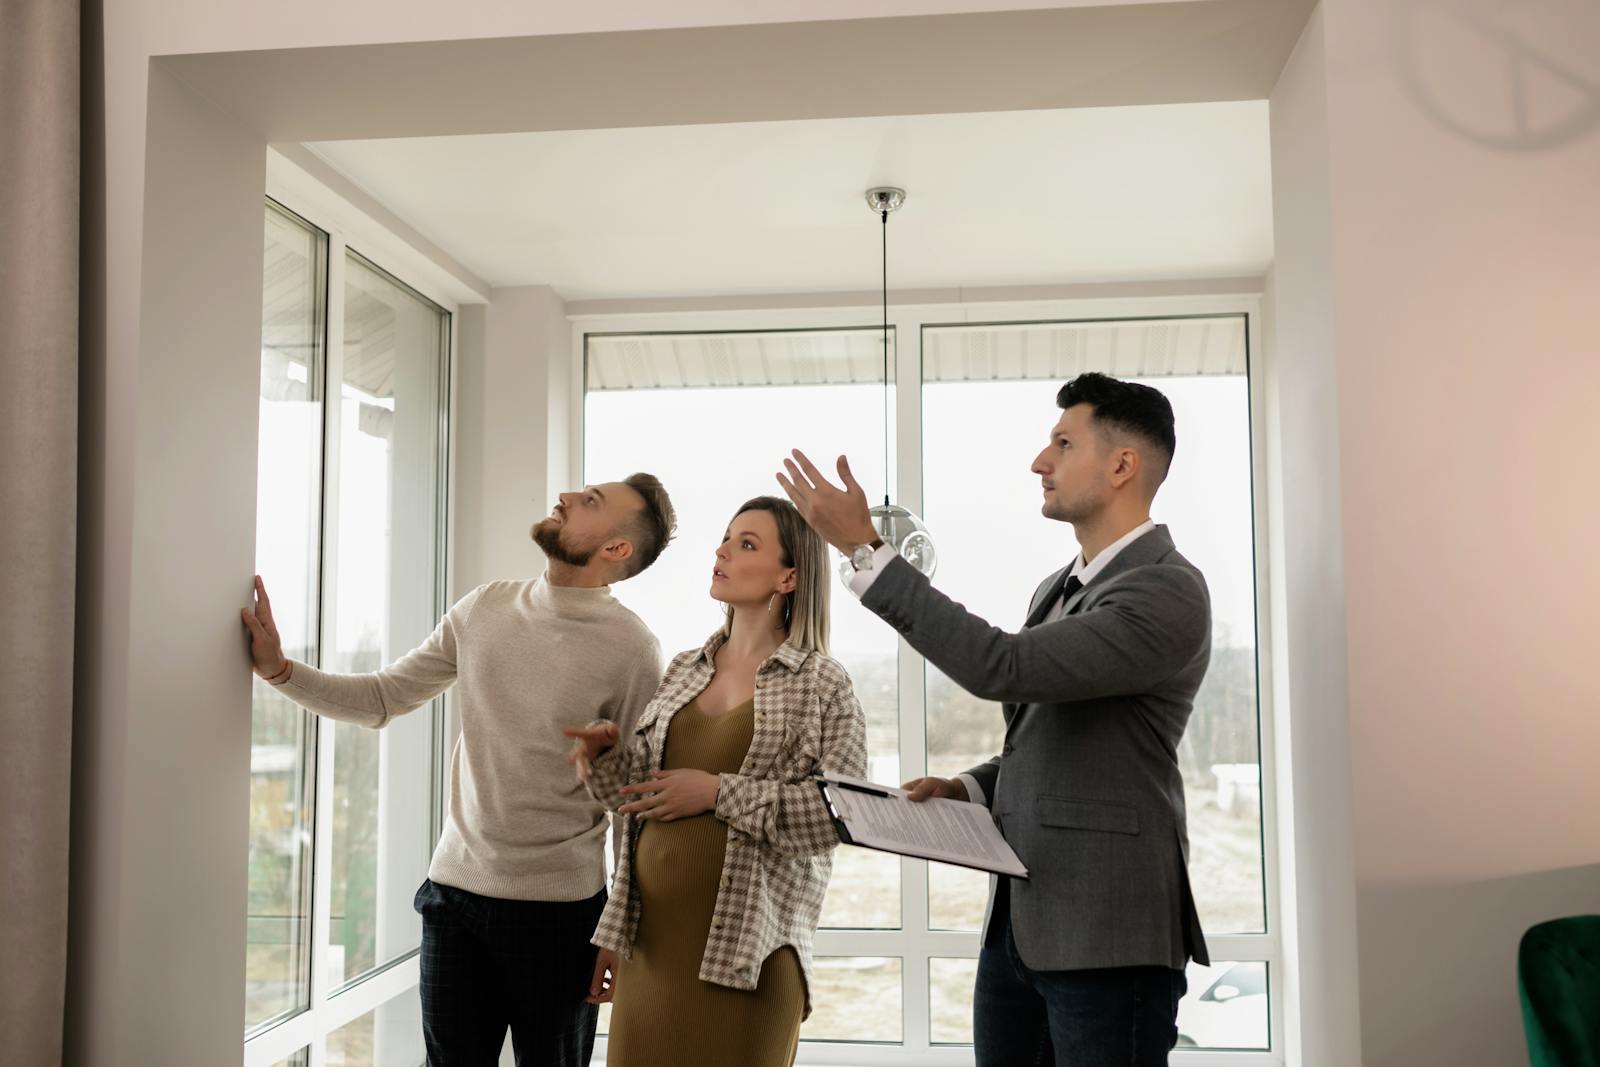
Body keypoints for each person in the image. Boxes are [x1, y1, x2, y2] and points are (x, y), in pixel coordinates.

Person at [778, 372, 1212, 1067]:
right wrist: (971, 788)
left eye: (1063, 443)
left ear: (1123, 464)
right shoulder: (1058, 587)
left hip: (1108, 938)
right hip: (1020, 929)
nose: (1041, 460)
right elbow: (1055, 738)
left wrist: (868, 551)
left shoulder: (1166, 589)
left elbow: (1000, 667)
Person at [240, 474, 676, 1067]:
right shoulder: (486, 607)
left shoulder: (633, 650)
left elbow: (632, 805)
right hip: (454, 898)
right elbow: (384, 695)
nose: (567, 497)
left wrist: (618, 934)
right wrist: (279, 671)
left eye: (590, 503)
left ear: (617, 548)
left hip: (561, 914)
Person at [564, 495, 867, 1067]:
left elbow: (841, 815)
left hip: (747, 963)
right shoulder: (684, 668)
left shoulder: (824, 685)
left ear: (790, 576)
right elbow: (637, 801)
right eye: (726, 538)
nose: (722, 551)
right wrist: (606, 760)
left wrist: (716, 792)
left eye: (746, 544)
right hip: (649, 954)